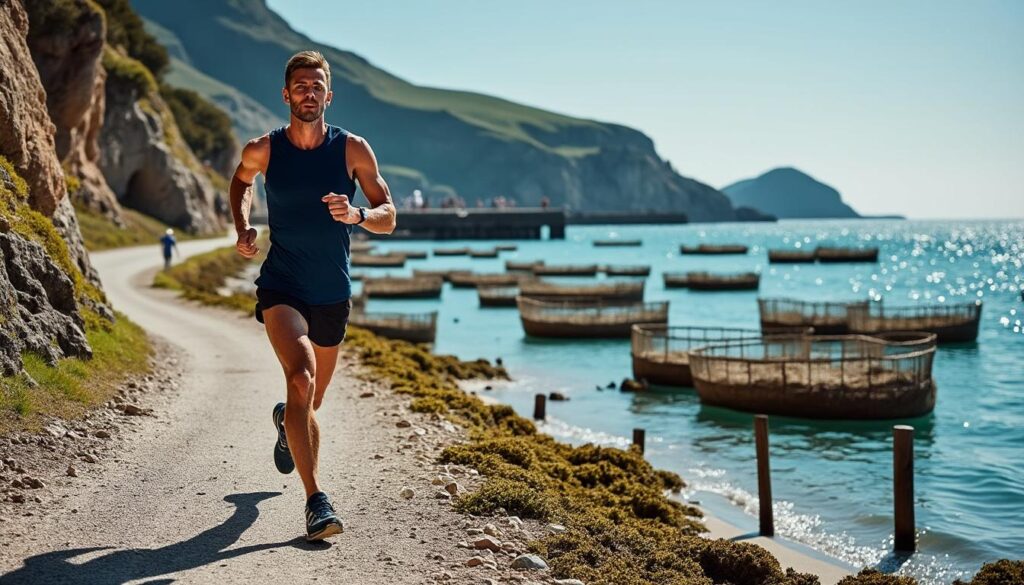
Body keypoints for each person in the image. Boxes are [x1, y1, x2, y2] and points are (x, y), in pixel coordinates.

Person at [228, 50, 397, 541]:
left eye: (316, 85)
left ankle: (287, 422)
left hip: (331, 293)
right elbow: (240, 181)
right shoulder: (265, 148)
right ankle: (315, 501)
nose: (308, 92)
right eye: (300, 85)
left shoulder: (353, 151)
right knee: (300, 379)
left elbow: (389, 214)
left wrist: (359, 215)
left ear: (329, 94)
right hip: (282, 284)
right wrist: (243, 225)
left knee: (312, 398)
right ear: (286, 94)